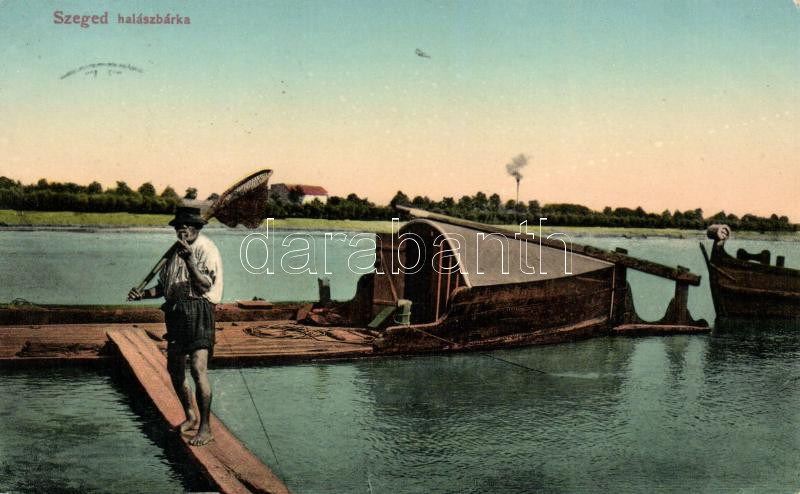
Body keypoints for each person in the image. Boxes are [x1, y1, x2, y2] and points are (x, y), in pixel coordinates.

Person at [128, 206, 223, 446]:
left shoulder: (206, 249)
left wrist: (190, 260)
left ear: (197, 228)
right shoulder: (172, 252)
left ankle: (206, 428)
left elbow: (204, 286)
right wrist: (142, 295)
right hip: (176, 313)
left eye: (187, 226)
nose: (183, 229)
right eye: (179, 226)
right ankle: (190, 416)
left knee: (198, 369)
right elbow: (163, 288)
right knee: (175, 369)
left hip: (199, 309)